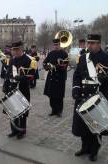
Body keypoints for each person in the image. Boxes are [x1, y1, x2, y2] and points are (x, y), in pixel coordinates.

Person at [72, 34, 108, 162]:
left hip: (98, 97)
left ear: (99, 44)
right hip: (82, 96)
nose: (90, 45)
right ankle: (85, 148)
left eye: (92, 43)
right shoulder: (83, 58)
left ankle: (94, 151)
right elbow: (76, 76)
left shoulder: (106, 58)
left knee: (95, 126)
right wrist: (75, 88)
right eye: (89, 43)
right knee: (83, 125)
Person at [3, 41, 37, 139]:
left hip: (23, 89)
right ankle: (14, 130)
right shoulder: (12, 60)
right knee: (12, 109)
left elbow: (32, 76)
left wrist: (20, 78)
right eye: (13, 50)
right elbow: (8, 74)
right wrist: (5, 85)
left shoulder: (30, 60)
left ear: (20, 49)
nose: (13, 52)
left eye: (15, 50)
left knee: (22, 111)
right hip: (12, 88)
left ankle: (22, 131)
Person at [43, 39, 68, 117]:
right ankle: (53, 110)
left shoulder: (64, 54)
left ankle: (59, 111)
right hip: (51, 76)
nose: (56, 46)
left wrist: (56, 67)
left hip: (60, 77)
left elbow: (65, 65)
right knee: (51, 95)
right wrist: (47, 67)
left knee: (59, 95)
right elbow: (45, 62)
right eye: (55, 45)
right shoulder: (51, 53)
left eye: (57, 45)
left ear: (60, 44)